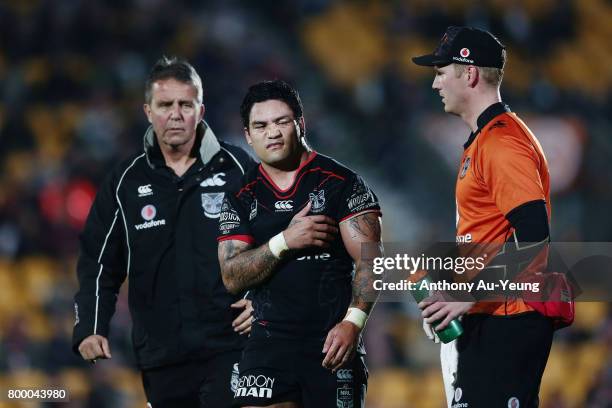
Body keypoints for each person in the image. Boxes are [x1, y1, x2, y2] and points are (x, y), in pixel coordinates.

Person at [72, 56, 256, 408]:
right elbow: (99, 261)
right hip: (161, 357)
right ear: (148, 111)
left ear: (200, 111)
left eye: (185, 104)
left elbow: (276, 245)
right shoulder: (126, 181)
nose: (175, 114)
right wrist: (92, 326)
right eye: (165, 104)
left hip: (230, 346)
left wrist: (264, 302)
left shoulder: (237, 170)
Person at [413, 26, 557, 407]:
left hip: (509, 316)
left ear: (470, 73)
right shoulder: (485, 139)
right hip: (492, 313)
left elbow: (534, 235)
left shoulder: (501, 142)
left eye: (441, 72)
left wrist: (467, 293)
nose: (435, 84)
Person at [217, 80, 383, 408]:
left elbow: (372, 260)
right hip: (267, 346)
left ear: (300, 124)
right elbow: (232, 276)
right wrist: (284, 242)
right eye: (261, 126)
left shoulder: (341, 184)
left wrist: (354, 322)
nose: (273, 133)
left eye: (281, 122)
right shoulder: (240, 195)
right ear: (248, 135)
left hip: (331, 347)